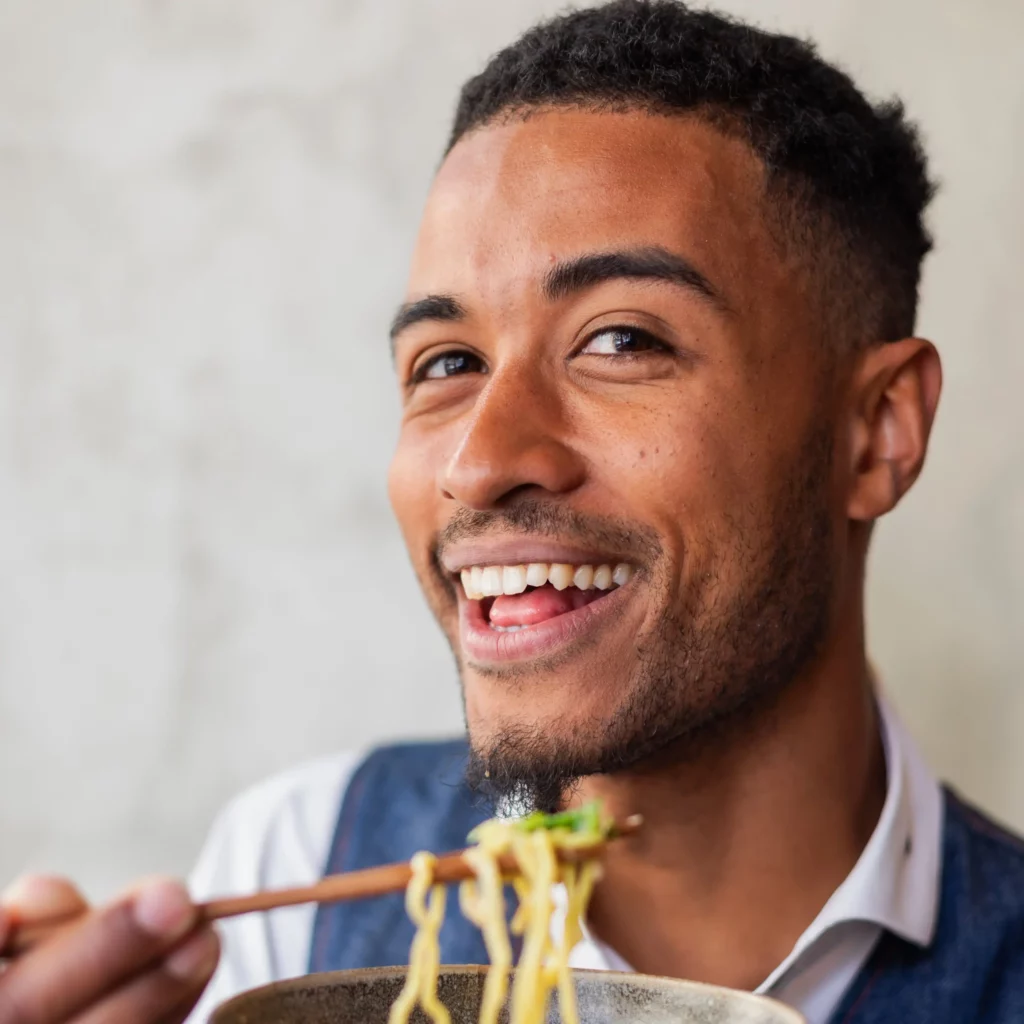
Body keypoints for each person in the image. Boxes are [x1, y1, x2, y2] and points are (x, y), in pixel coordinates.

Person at [3, 2, 1024, 1023]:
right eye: (446, 363)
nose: (480, 462)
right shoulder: (292, 863)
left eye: (620, 341)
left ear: (875, 430)